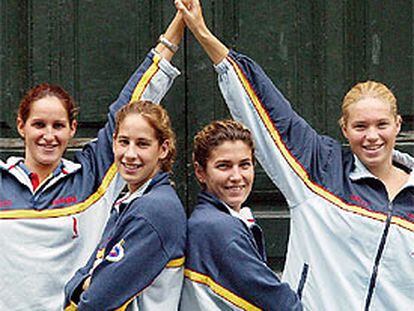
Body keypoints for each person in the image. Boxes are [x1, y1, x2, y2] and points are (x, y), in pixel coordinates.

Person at [176, 0, 414, 310]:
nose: (371, 136)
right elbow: (267, 108)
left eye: (381, 125)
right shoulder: (319, 168)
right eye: (360, 126)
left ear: (398, 125)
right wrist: (203, 33)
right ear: (344, 128)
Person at [0, 10, 185, 310]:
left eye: (58, 126)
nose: (48, 135)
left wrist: (177, 30)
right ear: (21, 126)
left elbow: (131, 102)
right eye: (39, 125)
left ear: (72, 129)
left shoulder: (91, 178)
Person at [64, 101, 186, 310]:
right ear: (113, 143)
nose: (130, 154)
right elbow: (83, 277)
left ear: (163, 149)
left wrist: (87, 283)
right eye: (124, 142)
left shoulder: (154, 210)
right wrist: (83, 283)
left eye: (142, 144)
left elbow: (97, 300)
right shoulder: (131, 202)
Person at [179, 119, 302, 310]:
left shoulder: (213, 220)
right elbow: (280, 303)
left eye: (244, 165)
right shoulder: (218, 228)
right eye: (224, 166)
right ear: (200, 172)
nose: (236, 176)